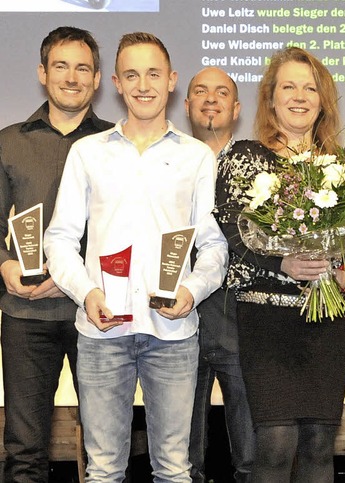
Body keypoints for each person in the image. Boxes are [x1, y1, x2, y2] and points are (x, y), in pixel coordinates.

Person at [43, 32, 228, 481]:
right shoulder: (86, 153)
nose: (143, 84)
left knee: (174, 469)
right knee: (104, 470)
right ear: (116, 84)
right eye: (131, 75)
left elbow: (215, 246)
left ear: (171, 81)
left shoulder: (197, 157)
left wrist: (191, 289)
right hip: (103, 334)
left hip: (173, 334)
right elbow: (60, 238)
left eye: (153, 73)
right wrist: (86, 293)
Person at [216, 46, 345, 482]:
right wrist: (281, 264)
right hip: (267, 322)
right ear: (270, 98)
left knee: (321, 448)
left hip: (330, 321)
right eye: (288, 86)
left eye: (310, 88)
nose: (300, 96)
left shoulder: (343, 166)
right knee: (274, 446)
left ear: (323, 100)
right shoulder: (244, 157)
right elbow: (232, 231)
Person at [0, 26, 112, 482]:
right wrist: (4, 264)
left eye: (82, 67)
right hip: (26, 316)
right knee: (25, 452)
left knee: (108, 447)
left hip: (99, 315)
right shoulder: (9, 142)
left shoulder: (116, 143)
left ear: (99, 78)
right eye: (61, 66)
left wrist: (73, 275)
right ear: (42, 73)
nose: (72, 77)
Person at [185, 67, 255, 483]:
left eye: (222, 92)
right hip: (177, 322)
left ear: (237, 108)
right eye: (200, 91)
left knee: (250, 458)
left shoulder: (258, 166)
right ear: (187, 104)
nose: (211, 99)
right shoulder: (167, 161)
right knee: (181, 459)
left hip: (241, 322)